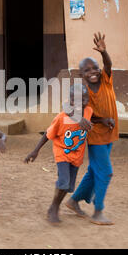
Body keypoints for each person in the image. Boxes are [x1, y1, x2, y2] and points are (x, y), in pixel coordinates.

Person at [65, 32, 119, 225]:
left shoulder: (106, 79)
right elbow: (71, 109)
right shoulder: (82, 91)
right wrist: (98, 119)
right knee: (105, 172)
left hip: (109, 132)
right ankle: (98, 211)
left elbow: (109, 65)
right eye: (87, 70)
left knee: (94, 171)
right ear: (81, 75)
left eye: (95, 67)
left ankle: (73, 201)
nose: (93, 71)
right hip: (95, 136)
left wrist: (104, 53)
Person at [24, 84, 93, 224]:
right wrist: (35, 150)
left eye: (83, 100)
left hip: (77, 156)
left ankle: (55, 206)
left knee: (67, 187)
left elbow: (94, 119)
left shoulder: (89, 111)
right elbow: (47, 134)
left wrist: (105, 120)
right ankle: (53, 208)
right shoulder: (61, 117)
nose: (79, 103)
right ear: (70, 100)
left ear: (88, 100)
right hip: (62, 153)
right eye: (75, 100)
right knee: (63, 182)